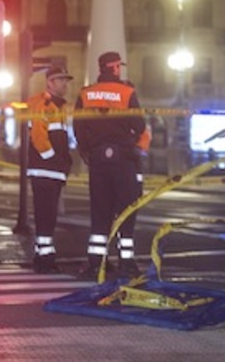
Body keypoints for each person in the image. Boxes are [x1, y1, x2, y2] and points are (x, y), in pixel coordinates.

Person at [74, 51, 146, 280]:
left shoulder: (85, 94)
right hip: (123, 159)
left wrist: (87, 151)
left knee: (100, 211)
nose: (119, 69)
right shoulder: (126, 92)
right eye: (118, 66)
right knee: (125, 211)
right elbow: (140, 124)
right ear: (113, 67)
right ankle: (126, 262)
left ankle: (97, 262)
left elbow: (78, 127)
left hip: (97, 160)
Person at [26, 64, 75, 274]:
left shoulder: (58, 107)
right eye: (61, 79)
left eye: (66, 80)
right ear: (50, 82)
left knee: (48, 215)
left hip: (50, 170)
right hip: (45, 170)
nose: (65, 84)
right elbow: (39, 137)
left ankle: (42, 253)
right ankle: (45, 258)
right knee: (45, 215)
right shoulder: (44, 105)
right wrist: (54, 160)